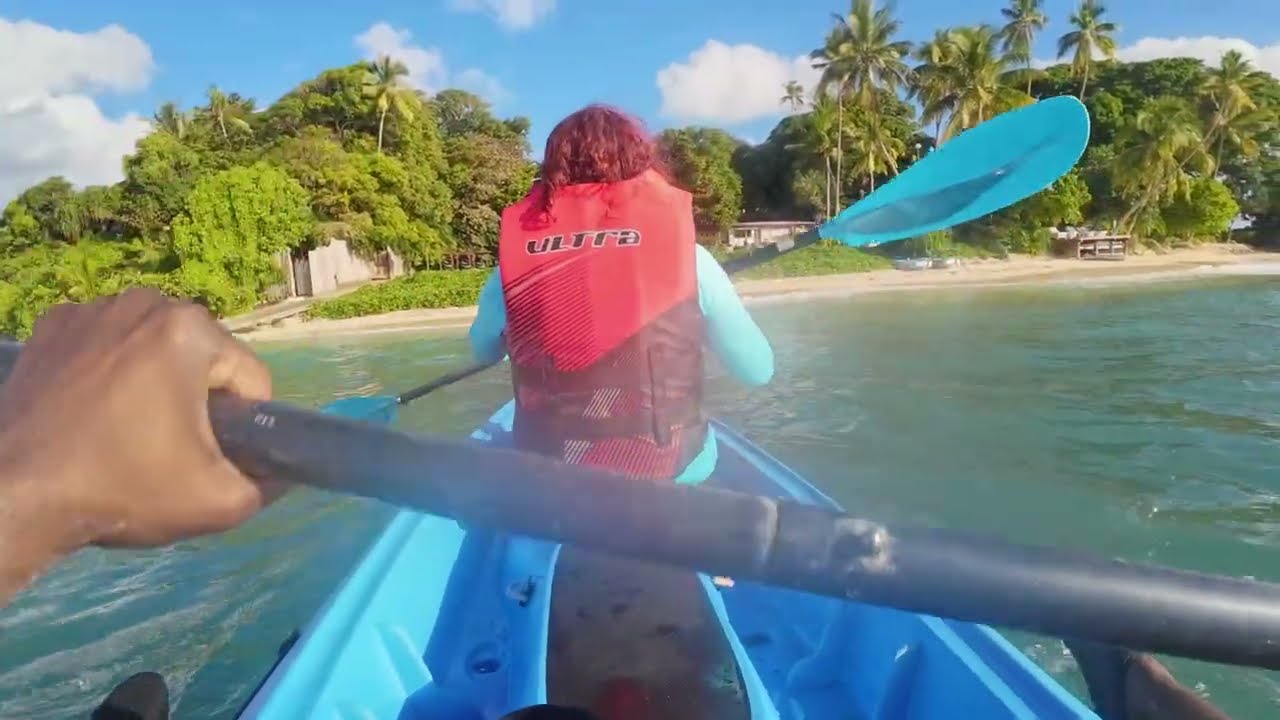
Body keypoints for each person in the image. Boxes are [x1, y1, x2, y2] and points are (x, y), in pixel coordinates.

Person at [0, 289, 1236, 720]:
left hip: (533, 478)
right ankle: (1131, 682)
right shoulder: (680, 250)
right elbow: (756, 372)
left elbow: (486, 351)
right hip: (684, 479)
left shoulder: (518, 255)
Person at [468, 104, 773, 485]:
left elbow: (482, 352)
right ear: (642, 166)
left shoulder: (514, 269)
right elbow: (757, 371)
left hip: (555, 472)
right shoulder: (691, 258)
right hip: (672, 468)